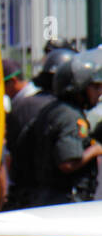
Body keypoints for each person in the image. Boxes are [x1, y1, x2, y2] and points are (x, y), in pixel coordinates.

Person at [7, 50, 102, 209]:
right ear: (79, 87)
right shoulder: (71, 116)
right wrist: (96, 150)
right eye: (95, 87)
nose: (99, 93)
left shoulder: (53, 109)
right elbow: (67, 163)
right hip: (66, 202)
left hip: (45, 197)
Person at [4, 48, 73, 209]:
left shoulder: (22, 106)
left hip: (29, 195)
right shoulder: (64, 110)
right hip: (55, 196)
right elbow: (68, 162)